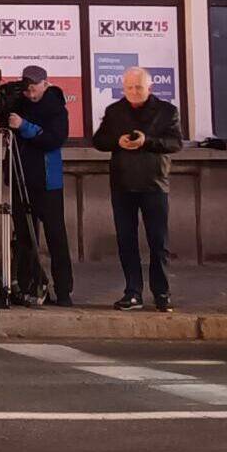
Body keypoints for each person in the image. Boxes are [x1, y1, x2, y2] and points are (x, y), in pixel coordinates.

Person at [92, 67, 183, 312]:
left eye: (139, 87)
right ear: (123, 88)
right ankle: (133, 292)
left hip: (154, 183)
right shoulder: (114, 111)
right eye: (129, 87)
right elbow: (98, 141)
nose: (134, 92)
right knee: (126, 240)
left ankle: (162, 292)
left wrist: (147, 141)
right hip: (122, 184)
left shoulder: (167, 111)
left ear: (149, 88)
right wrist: (116, 141)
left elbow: (176, 143)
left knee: (158, 241)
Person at [0, 65, 73, 307]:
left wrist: (24, 127)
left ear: (45, 84)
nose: (30, 94)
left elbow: (54, 139)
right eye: (27, 89)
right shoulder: (19, 103)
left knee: (55, 236)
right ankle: (27, 286)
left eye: (34, 89)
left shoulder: (56, 109)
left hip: (48, 182)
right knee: (24, 238)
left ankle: (63, 290)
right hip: (21, 180)